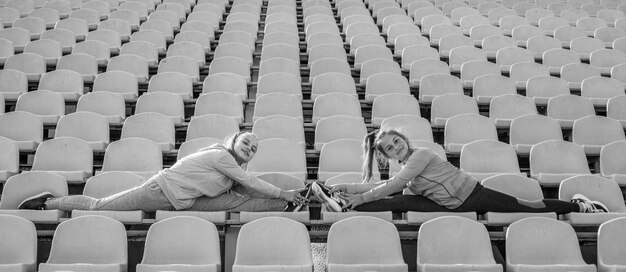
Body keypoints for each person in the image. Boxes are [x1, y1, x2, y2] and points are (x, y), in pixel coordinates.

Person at [311, 129, 609, 214]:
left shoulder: (422, 155)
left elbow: (393, 185)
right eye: (389, 148)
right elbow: (386, 188)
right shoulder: (405, 167)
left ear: (404, 140)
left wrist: (363, 197)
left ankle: (580, 206)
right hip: (443, 202)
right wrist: (347, 188)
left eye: (396, 141)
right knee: (394, 202)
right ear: (386, 155)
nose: (395, 148)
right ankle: (341, 203)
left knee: (527, 207)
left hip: (470, 197)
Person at [18, 132, 308, 212]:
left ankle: (289, 204)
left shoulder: (229, 169)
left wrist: (285, 197)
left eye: (254, 148)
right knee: (98, 207)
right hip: (161, 191)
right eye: (246, 142)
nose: (250, 148)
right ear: (233, 140)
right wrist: (284, 190)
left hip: (186, 200)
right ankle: (49, 203)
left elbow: (245, 186)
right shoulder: (222, 156)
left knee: (238, 200)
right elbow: (250, 180)